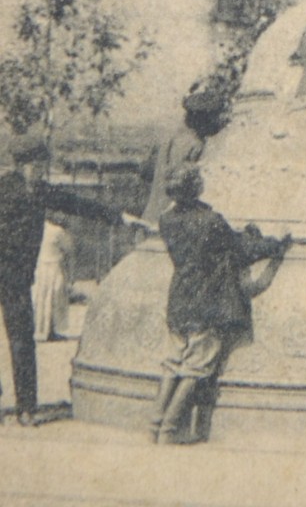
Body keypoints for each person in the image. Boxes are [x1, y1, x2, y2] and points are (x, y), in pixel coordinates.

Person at [150, 163, 290, 445]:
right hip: (207, 300)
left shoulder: (166, 220)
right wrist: (277, 246)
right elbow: (242, 250)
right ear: (196, 187)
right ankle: (169, 429)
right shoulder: (210, 220)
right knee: (196, 366)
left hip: (179, 298)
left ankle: (154, 425)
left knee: (172, 362)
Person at [0, 134, 135, 426]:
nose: (41, 171)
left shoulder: (40, 191)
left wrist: (117, 216)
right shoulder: (3, 188)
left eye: (42, 166)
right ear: (23, 164)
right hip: (6, 270)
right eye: (38, 165)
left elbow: (75, 204)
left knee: (22, 339)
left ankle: (26, 407)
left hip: (16, 279)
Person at [141, 86, 225, 226]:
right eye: (214, 117)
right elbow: (180, 181)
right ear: (203, 119)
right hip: (173, 217)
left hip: (154, 212)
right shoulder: (194, 144)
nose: (218, 122)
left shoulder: (172, 138)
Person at [32, 214, 74, 342]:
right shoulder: (58, 231)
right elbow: (69, 248)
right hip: (53, 267)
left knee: (43, 299)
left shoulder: (40, 228)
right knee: (54, 299)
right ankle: (50, 331)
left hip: (41, 267)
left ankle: (43, 330)